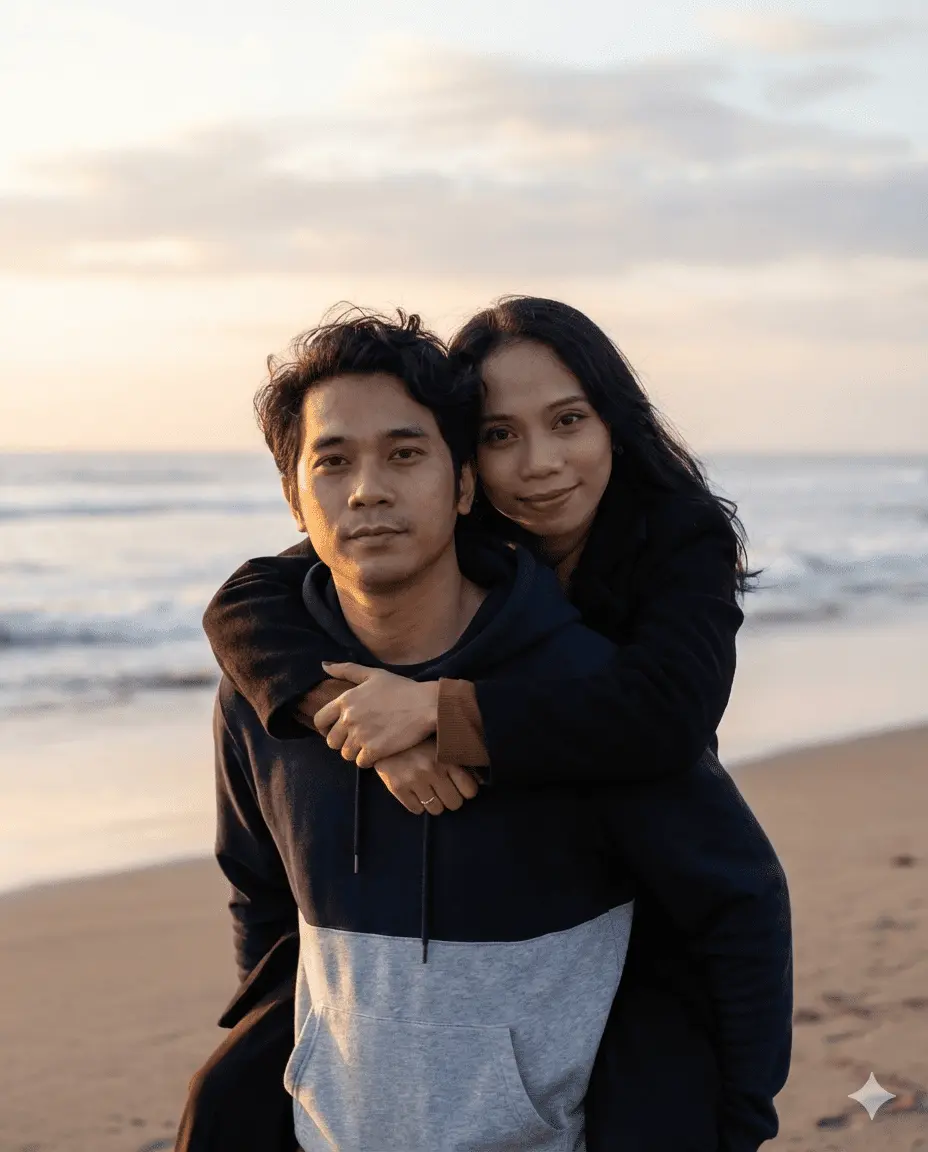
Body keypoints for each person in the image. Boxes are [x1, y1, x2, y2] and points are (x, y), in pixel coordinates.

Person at [179, 307, 792, 1152]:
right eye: (502, 433)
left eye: (569, 420)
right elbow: (261, 883)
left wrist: (439, 713)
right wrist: (339, 713)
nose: (539, 464)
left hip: (619, 971)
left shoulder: (666, 558)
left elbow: (665, 723)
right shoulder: (294, 649)